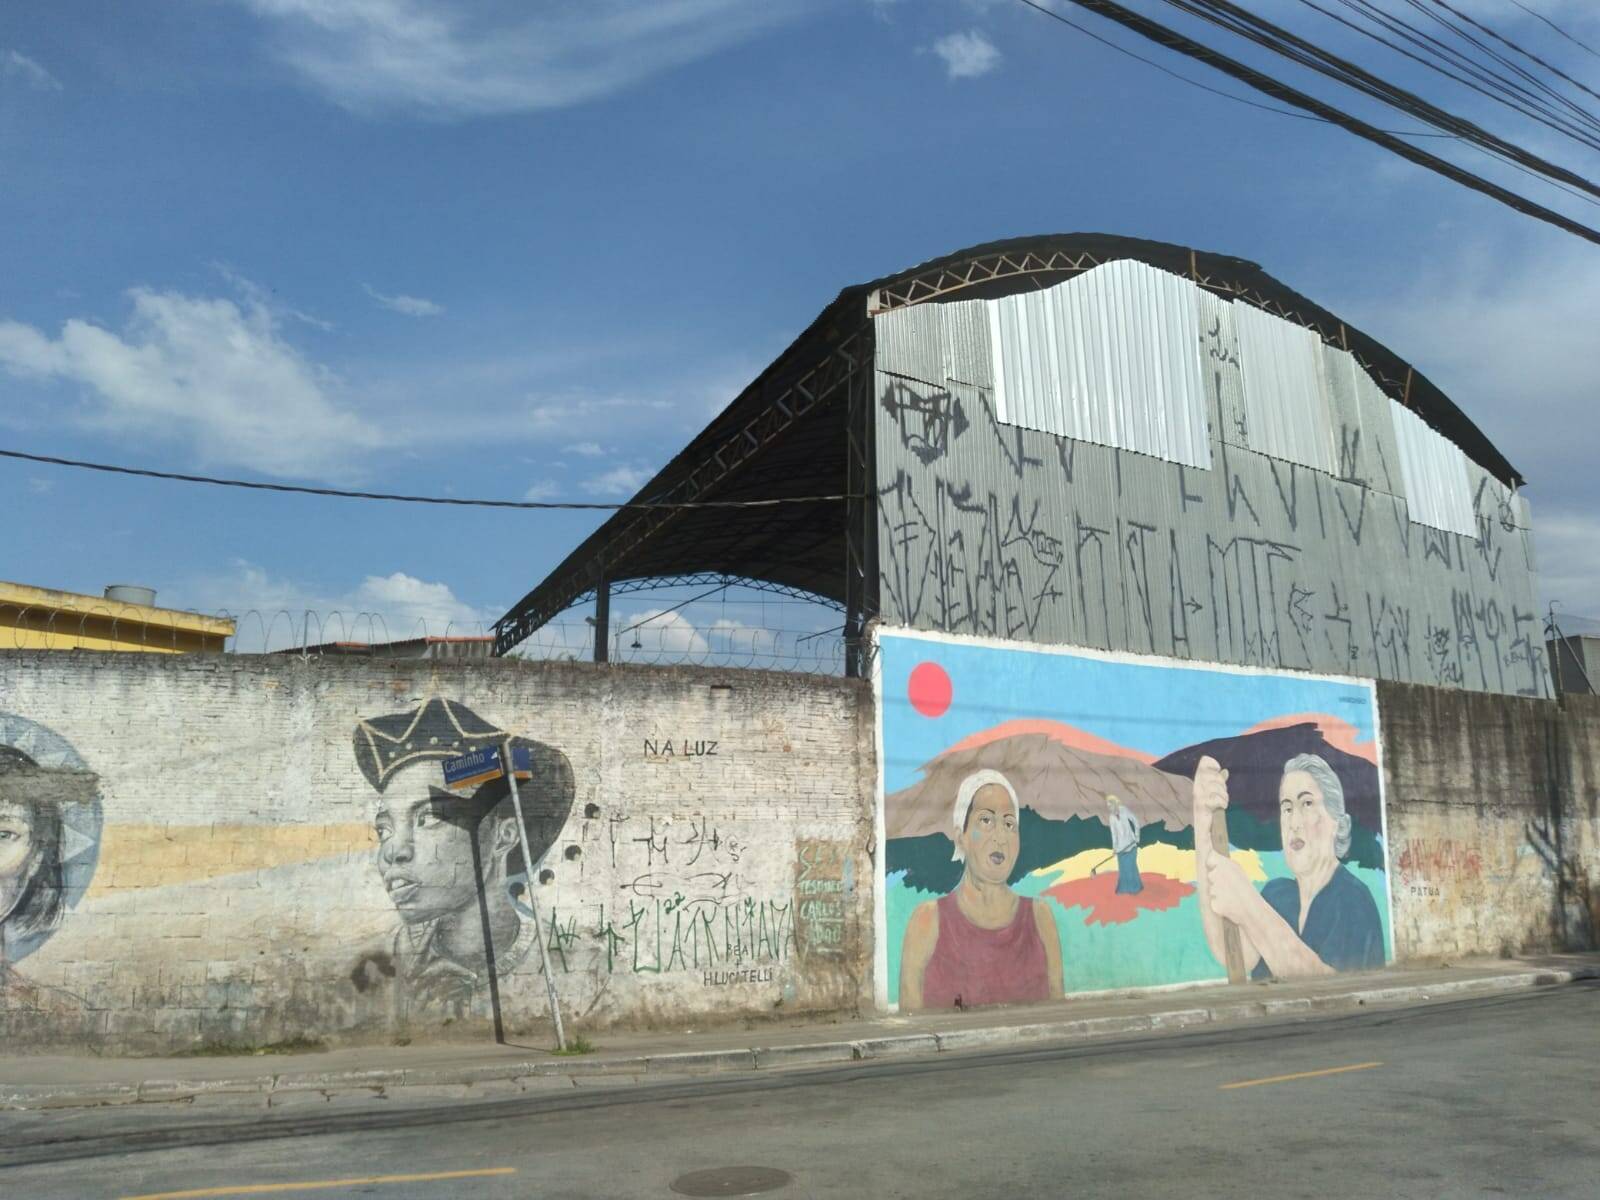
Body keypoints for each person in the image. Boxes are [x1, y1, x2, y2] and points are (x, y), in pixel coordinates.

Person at [353, 698, 575, 1016]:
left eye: (427, 817)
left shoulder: (571, 959)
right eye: (385, 830)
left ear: (504, 835)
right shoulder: (383, 961)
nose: (393, 852)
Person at [1193, 752, 1383, 979]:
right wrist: (1202, 821)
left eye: (1307, 803)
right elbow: (1234, 954)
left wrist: (1248, 906)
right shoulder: (1277, 894)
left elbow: (1327, 989)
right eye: (1287, 808)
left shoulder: (1353, 900)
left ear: (1339, 824)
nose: (1294, 823)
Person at [899, 769, 1063, 1011]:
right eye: (986, 820)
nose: (1000, 837)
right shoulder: (926, 922)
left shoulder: (1041, 919)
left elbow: (1058, 1018)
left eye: (1009, 824)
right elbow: (910, 1024)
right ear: (960, 836)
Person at [1106, 794, 1143, 895]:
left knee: (1131, 867)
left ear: (1115, 804)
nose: (1109, 809)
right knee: (1123, 870)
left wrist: (1137, 836)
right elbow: (1114, 834)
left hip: (1131, 845)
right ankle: (1124, 889)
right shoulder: (1111, 818)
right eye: (1108, 807)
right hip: (1120, 848)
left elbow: (1135, 821)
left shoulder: (1124, 810)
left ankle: (1135, 889)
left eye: (1110, 806)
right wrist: (1114, 848)